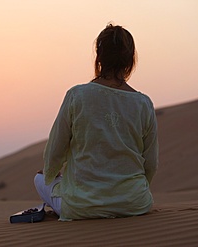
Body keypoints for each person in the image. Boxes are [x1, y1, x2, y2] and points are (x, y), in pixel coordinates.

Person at [34, 24, 159, 221]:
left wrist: (51, 174)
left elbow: (55, 150)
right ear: (130, 59)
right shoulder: (144, 103)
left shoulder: (77, 95)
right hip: (136, 203)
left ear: (99, 57)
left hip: (81, 207)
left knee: (39, 179)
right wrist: (132, 192)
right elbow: (151, 163)